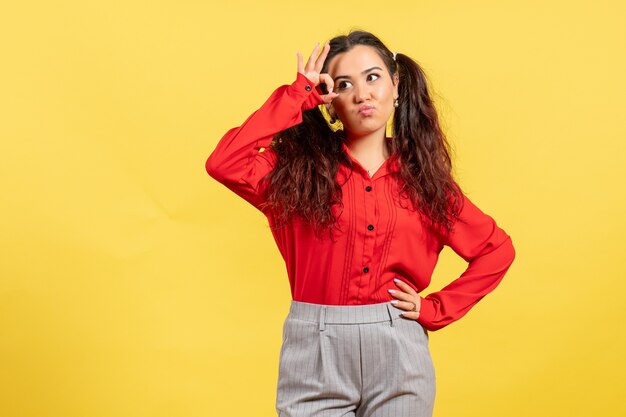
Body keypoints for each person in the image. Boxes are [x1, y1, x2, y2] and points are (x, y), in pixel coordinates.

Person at [206, 30, 515, 417]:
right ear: (330, 103)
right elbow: (224, 162)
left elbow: (496, 250)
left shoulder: (425, 182)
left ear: (395, 85)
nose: (362, 94)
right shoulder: (295, 175)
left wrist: (434, 309)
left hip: (398, 349)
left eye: (373, 78)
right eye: (343, 84)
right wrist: (299, 94)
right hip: (315, 351)